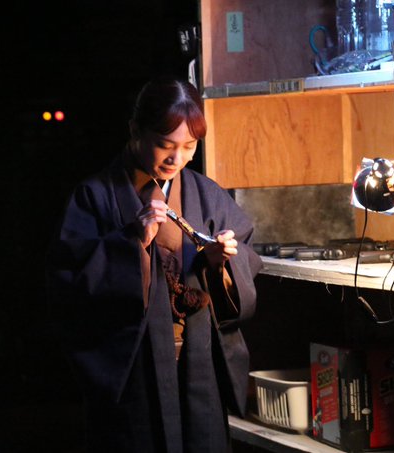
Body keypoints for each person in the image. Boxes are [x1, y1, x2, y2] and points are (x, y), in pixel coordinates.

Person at [46, 77, 263, 453]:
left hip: (199, 365)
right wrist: (133, 242)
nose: (177, 159)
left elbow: (243, 258)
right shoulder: (94, 197)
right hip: (135, 373)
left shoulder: (206, 194)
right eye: (166, 144)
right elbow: (69, 285)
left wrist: (218, 263)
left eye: (189, 147)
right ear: (135, 131)